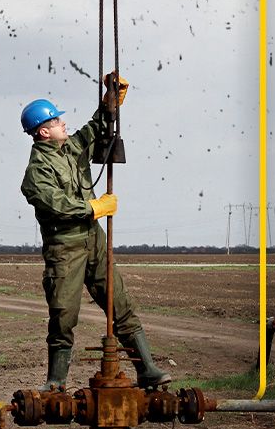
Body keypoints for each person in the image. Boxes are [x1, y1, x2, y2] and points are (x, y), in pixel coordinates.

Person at [19, 73, 171, 390]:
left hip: (94, 241)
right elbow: (56, 204)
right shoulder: (36, 172)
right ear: (43, 131)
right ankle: (56, 383)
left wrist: (111, 100)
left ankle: (147, 370)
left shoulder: (72, 148)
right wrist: (94, 207)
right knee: (63, 316)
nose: (63, 123)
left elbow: (96, 128)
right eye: (57, 121)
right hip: (65, 249)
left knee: (120, 305)